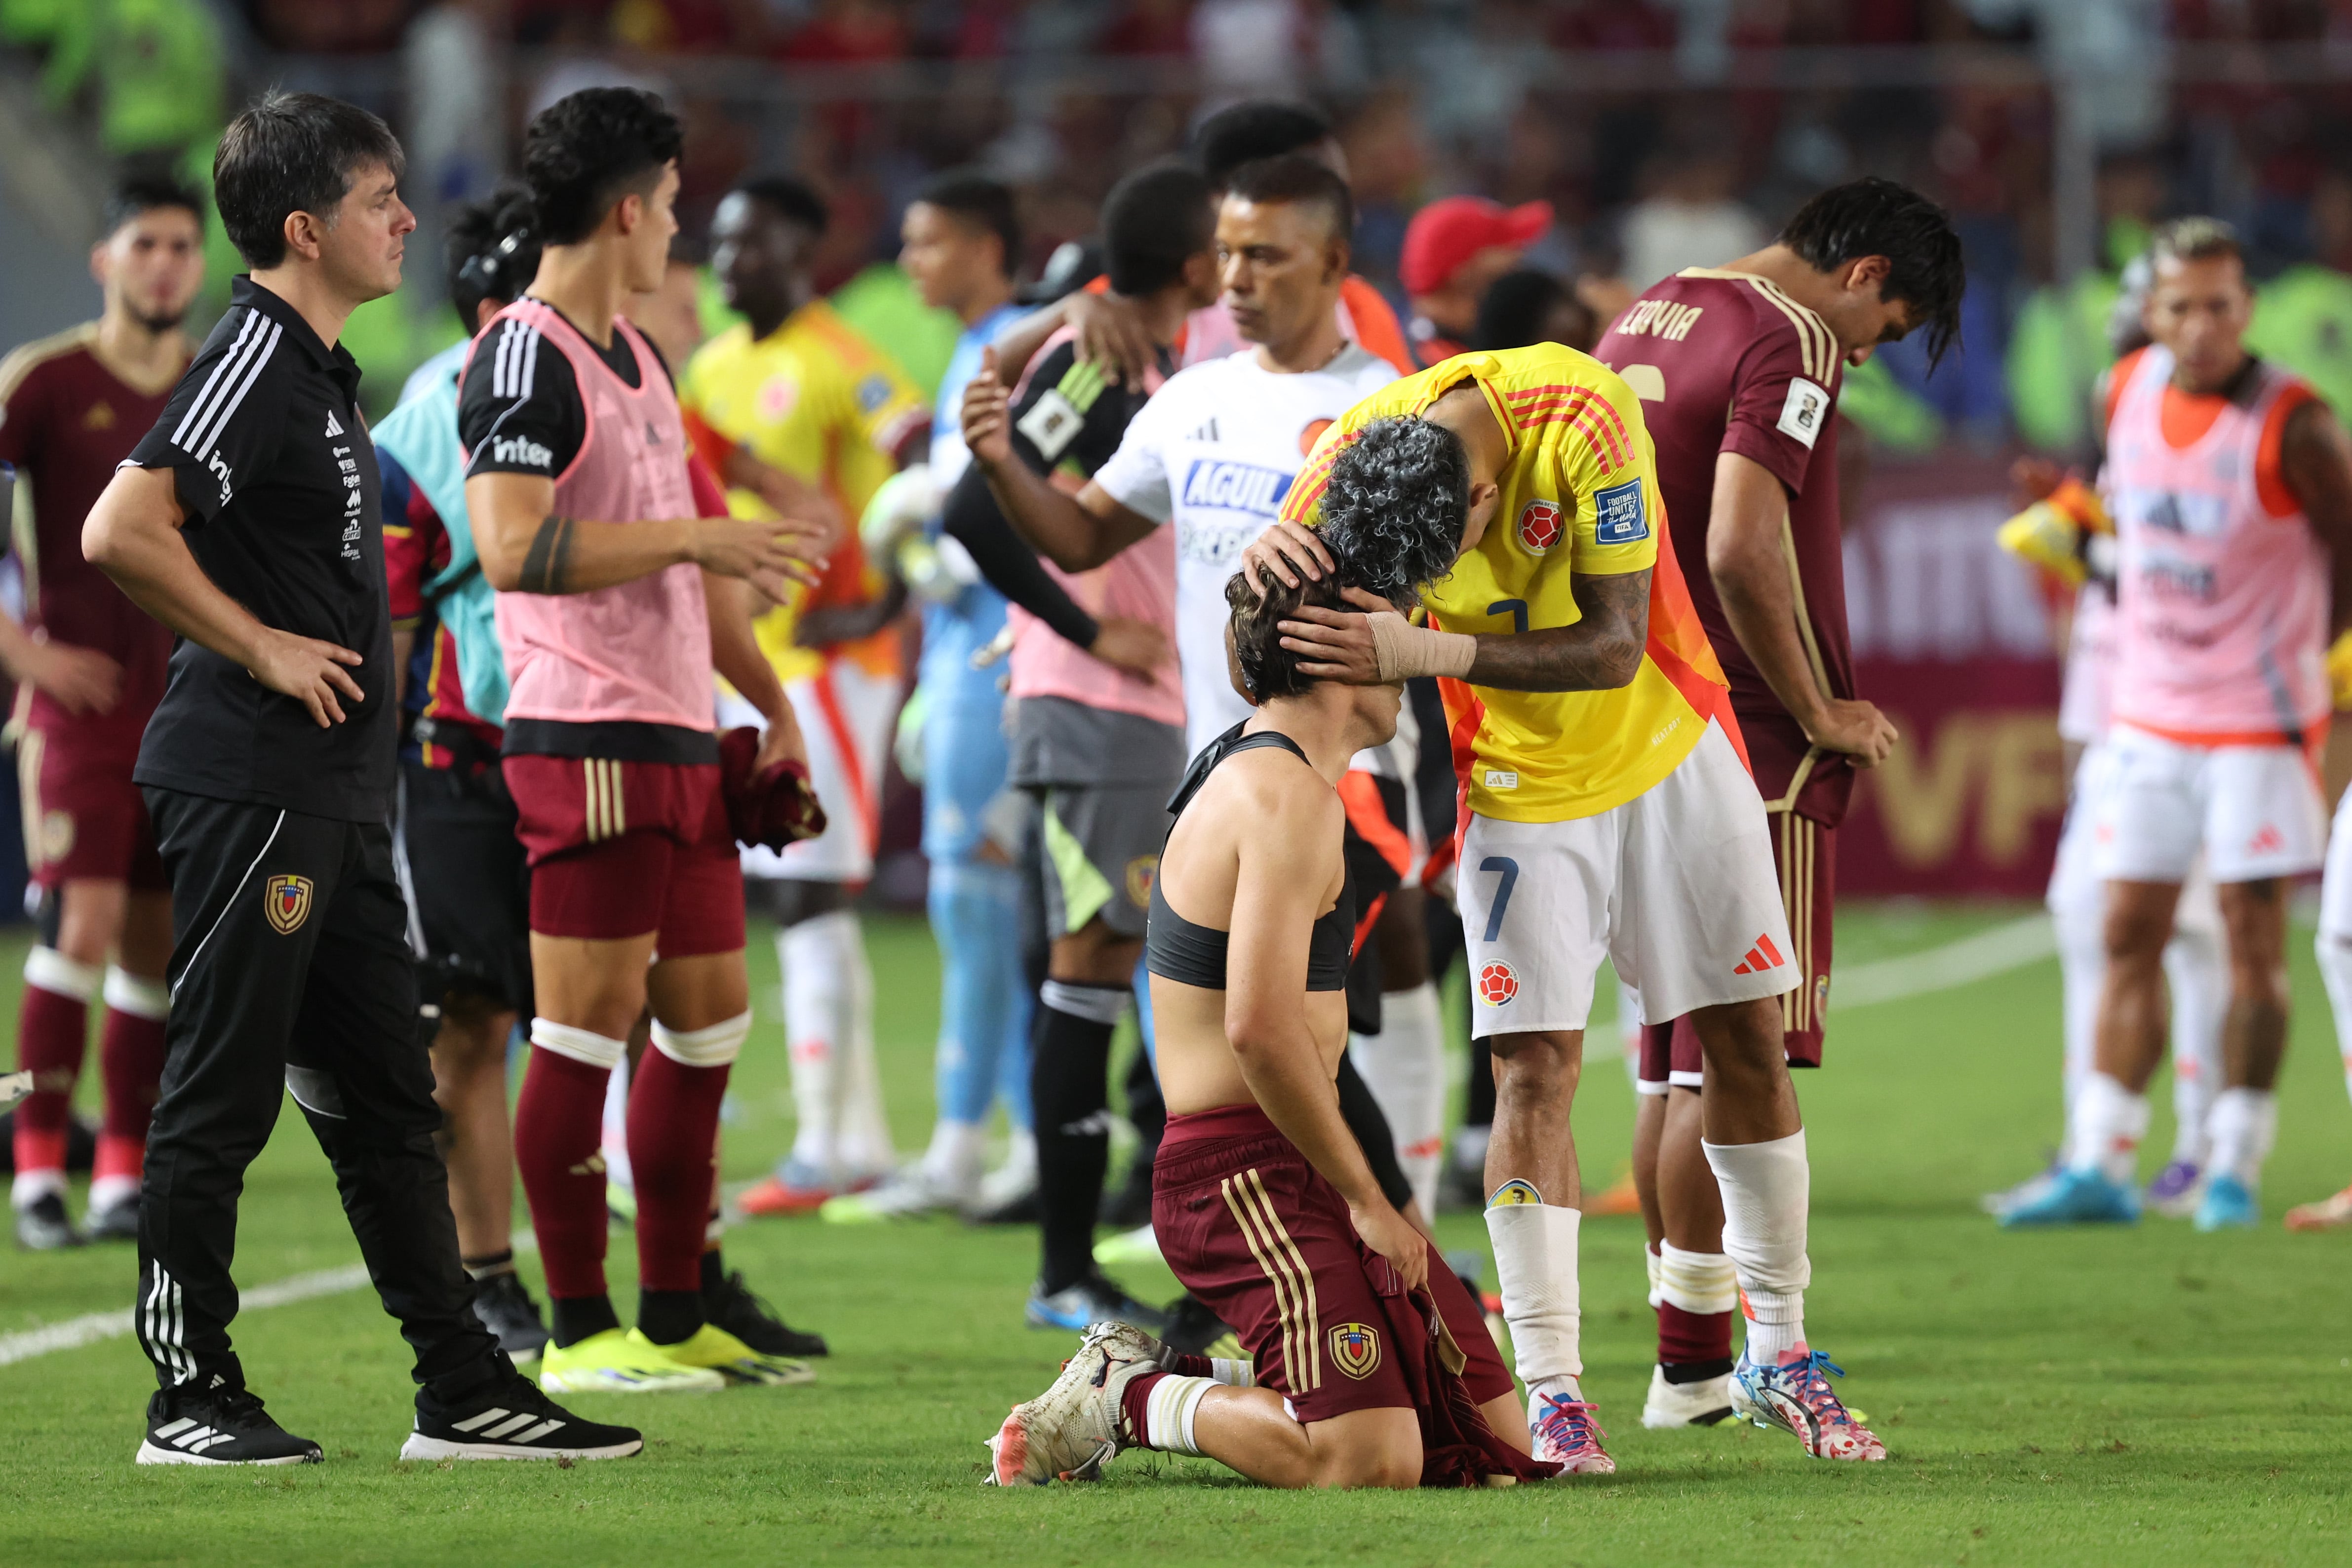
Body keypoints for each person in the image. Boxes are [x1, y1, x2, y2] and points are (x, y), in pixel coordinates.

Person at [84, 88, 639, 1464]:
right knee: (221, 1087)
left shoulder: (321, 374)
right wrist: (261, 644)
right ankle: (188, 1395)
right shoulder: (253, 357)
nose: (406, 218)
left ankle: (462, 1389)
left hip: (328, 797)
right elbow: (119, 527)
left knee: (388, 1098)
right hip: (252, 781)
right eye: (379, 199)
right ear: (303, 228)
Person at [1247, 333, 1904, 1470]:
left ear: (1491, 494)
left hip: (1671, 755)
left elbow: (1608, 645)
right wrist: (1247, 576)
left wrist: (1421, 641)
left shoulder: (1584, 411)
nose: (1427, 578)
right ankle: (1552, 1393)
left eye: (1443, 555)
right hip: (1516, 791)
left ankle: (1782, 1355)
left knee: (1744, 1042)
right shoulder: (1355, 456)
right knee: (1531, 1072)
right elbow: (1254, 630)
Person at [986, 508, 1550, 1490]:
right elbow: (1257, 1030)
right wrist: (1376, 1203)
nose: (1412, 654)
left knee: (1497, 1439)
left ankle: (1222, 1375)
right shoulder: (1286, 797)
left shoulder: (1272, 767)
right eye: (1395, 627)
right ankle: (1131, 1393)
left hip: (1298, 1152)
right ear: (1339, 650)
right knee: (1371, 1459)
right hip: (1238, 1175)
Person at [963, 153, 1405, 1329]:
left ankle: (1338, 1263)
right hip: (1205, 782)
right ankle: (1319, 1272)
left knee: (1297, 1039)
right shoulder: (1189, 396)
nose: (1238, 277)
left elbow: (1422, 607)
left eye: (1266, 255)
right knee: (1250, 1045)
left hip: (1334, 781)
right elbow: (1080, 531)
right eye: (1229, 253)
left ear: (1335, 265)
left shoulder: (1387, 411)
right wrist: (1001, 458)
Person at [459, 87, 825, 1393]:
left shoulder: (644, 358)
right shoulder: (522, 354)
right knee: (584, 1027)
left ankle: (672, 1316)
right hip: (587, 731)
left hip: (678, 736)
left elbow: (691, 572)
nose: (678, 230)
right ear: (628, 209)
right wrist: (691, 540)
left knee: (707, 1023)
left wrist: (769, 705)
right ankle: (573, 1335)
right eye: (671, 206)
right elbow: (510, 548)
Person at [1586, 177, 1963, 1428]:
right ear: (1860, 277)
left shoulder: (1646, 311)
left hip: (1633, 717)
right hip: (1745, 733)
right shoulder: (1790, 336)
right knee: (1739, 1056)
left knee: (1667, 1066)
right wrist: (1818, 711)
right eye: (1887, 328)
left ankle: (1687, 1365)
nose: (1867, 354)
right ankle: (1737, 1358)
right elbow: (1746, 542)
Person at [2011, 219, 2352, 1231]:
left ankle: (2234, 1164)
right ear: (2149, 312)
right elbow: (2126, 517)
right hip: (2148, 713)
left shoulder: (2296, 424)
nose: (2200, 326)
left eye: (2220, 305)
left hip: (2259, 718)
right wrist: (2072, 526)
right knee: (2127, 929)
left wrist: (2333, 673)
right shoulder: (2123, 392)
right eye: (2180, 307)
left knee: (2251, 939)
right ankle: (2103, 1158)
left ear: (2248, 308)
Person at [947, 159, 1207, 1327]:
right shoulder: (1100, 362)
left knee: (1099, 963)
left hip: (1126, 707)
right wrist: (1079, 626)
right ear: (1201, 262)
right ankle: (1065, 1266)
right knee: (1097, 962)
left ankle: (1082, 1258)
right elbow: (971, 503)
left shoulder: (1143, 357)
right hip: (1100, 707)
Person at [678, 173, 929, 1216]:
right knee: (789, 892)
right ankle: (851, 1137)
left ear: (804, 252)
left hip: (827, 667)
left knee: (811, 890)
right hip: (744, 657)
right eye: (725, 243)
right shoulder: (712, 368)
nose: (732, 261)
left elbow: (929, 480)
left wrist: (880, 609)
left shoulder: (847, 364)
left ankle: (831, 1147)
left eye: (754, 244)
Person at [824, 169, 1037, 1222]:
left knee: (988, 902)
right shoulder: (972, 351)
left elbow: (1003, 530)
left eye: (931, 242)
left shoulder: (1017, 348)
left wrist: (920, 535)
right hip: (966, 658)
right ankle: (1014, 1137)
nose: (912, 263)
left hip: (1000, 663)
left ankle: (985, 1142)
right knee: (997, 904)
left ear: (990, 246)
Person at [1, 173, 203, 1251]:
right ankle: (36, 1173)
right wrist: (29, 654)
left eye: (182, 245)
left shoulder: (216, 387)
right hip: (74, 713)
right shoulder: (42, 384)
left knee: (152, 949)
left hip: (185, 712)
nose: (165, 263)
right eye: (146, 244)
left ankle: (122, 1174)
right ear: (106, 259)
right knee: (75, 925)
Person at [375, 182, 549, 1360]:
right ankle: (492, 1274)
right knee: (472, 1025)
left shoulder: (616, 382)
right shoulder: (415, 422)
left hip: (585, 739)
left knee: (606, 1020)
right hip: (458, 753)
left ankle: (642, 1284)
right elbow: (391, 614)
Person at [994, 99, 1416, 388]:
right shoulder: (1178, 292)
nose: (1350, 215)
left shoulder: (1359, 307)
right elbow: (995, 371)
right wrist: (1069, 310)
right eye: (1326, 194)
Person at [1400, 196, 1553, 367]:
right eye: (1504, 244)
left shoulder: (1432, 346)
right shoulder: (1434, 375)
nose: (1517, 256)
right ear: (1462, 273)